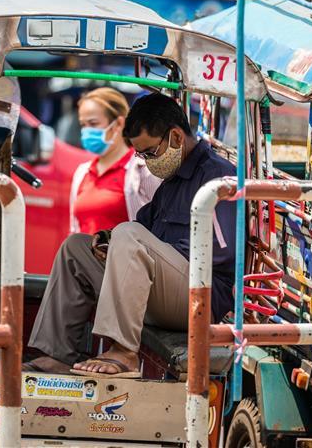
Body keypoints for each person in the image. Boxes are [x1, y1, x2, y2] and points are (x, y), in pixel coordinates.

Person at [25, 93, 236, 377]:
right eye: (140, 155)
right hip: (158, 289)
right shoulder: (171, 180)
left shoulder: (217, 177)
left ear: (175, 136)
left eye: (150, 152)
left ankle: (124, 352)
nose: (147, 162)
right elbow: (143, 226)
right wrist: (108, 241)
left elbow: (219, 255)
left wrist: (136, 246)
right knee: (76, 247)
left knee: (129, 235)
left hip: (199, 297)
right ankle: (57, 352)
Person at [70, 88, 159, 235]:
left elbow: (160, 226)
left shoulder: (143, 169)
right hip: (85, 256)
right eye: (83, 125)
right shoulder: (82, 173)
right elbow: (74, 230)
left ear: (118, 124)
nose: (86, 132)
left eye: (93, 123)